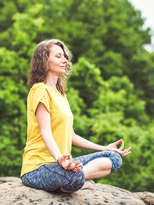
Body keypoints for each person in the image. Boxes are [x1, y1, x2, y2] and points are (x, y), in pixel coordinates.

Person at [20, 39, 132, 192]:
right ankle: (75, 180)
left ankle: (75, 180)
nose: (65, 60)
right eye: (58, 56)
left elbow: (71, 135)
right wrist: (60, 159)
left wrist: (104, 148)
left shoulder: (61, 95)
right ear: (44, 61)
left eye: (65, 56)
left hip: (62, 166)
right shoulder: (40, 89)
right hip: (38, 168)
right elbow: (46, 133)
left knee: (114, 158)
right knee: (72, 175)